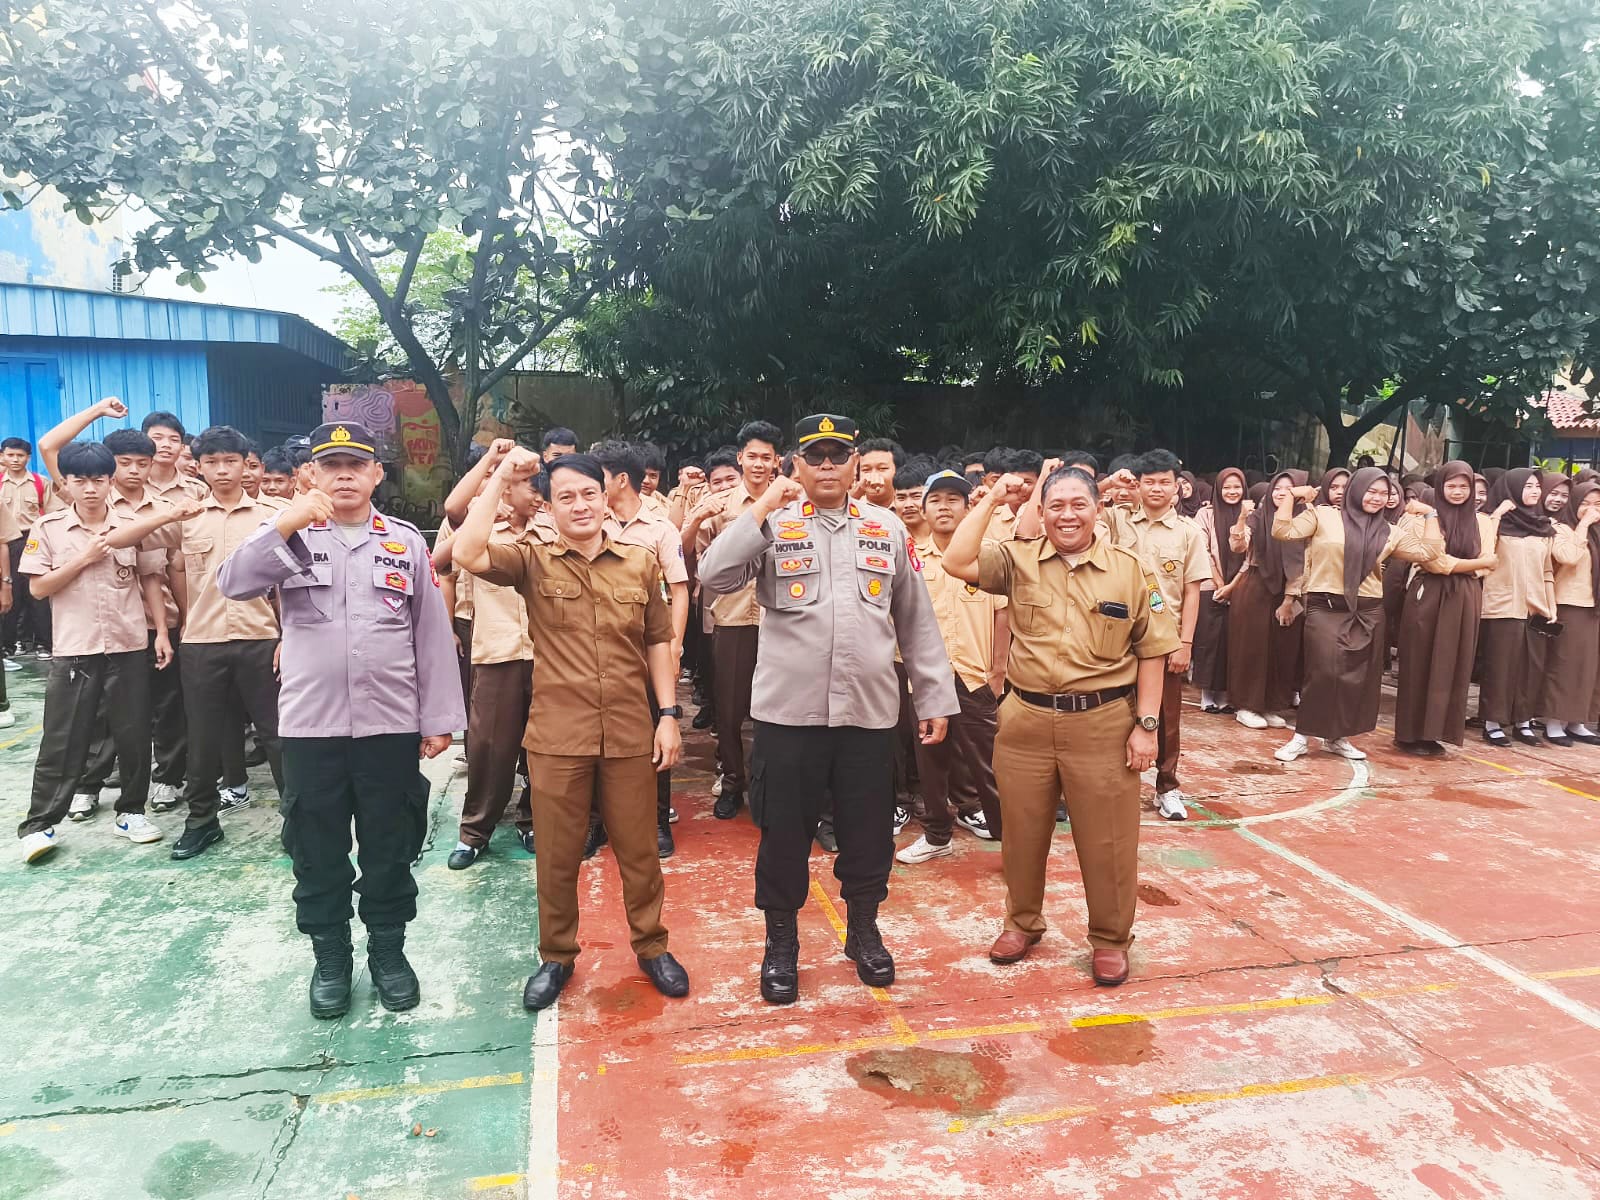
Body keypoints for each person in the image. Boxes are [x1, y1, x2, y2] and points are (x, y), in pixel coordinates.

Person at [697, 414, 957, 1005]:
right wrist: (761, 506)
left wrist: (935, 694)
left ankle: (863, 931)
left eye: (838, 456)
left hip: (867, 716)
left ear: (855, 461)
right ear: (797, 462)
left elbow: (915, 618)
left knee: (868, 834)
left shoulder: (885, 528)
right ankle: (781, 943)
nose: (827, 467)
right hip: (790, 717)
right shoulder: (774, 524)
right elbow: (714, 576)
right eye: (815, 457)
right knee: (782, 834)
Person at [216, 421, 464, 1018]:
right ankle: (331, 957)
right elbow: (233, 583)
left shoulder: (405, 543)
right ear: (312, 475)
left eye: (357, 464)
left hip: (389, 727)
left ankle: (388, 951)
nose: (345, 475)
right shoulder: (288, 537)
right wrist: (288, 522)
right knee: (316, 849)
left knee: (389, 846)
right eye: (331, 465)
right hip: (310, 729)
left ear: (378, 474)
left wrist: (439, 719)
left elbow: (432, 637)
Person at [452, 449, 689, 1013]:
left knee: (638, 851)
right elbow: (465, 550)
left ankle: (652, 946)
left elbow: (658, 641)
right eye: (565, 496)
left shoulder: (640, 561)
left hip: (631, 729)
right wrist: (502, 476)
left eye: (588, 493)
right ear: (548, 505)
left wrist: (669, 716)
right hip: (558, 734)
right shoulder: (531, 559)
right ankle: (556, 956)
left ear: (606, 497)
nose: (579, 505)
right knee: (557, 856)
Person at [943, 466, 1176, 984]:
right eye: (1056, 506)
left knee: (1108, 840)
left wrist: (1148, 725)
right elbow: (956, 560)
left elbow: (1155, 652)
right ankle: (1022, 922)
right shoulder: (1017, 560)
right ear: (1042, 512)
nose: (1067, 515)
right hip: (1025, 721)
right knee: (1021, 833)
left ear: (1098, 509)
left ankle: (1111, 939)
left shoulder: (1130, 570)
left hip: (1103, 723)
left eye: (1078, 504)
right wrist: (992, 499)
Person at [16, 441, 201, 863]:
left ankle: (131, 812)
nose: (90, 488)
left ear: (109, 480)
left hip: (128, 644)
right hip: (75, 649)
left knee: (134, 734)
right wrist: (82, 559)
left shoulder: (133, 524)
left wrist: (160, 635)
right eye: (80, 480)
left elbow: (152, 578)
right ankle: (39, 825)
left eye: (99, 479)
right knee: (63, 739)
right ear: (68, 482)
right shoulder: (49, 528)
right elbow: (39, 588)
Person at [40, 401, 188, 818]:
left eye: (142, 462)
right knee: (99, 715)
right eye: (124, 463)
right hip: (97, 628)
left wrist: (174, 625)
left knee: (162, 707)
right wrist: (98, 411)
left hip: (156, 621)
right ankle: (91, 783)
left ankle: (165, 779)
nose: (134, 471)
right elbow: (50, 445)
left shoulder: (165, 504)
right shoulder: (89, 494)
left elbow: (166, 569)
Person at [166, 426, 288, 859]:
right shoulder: (185, 516)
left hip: (262, 639)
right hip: (203, 640)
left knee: (277, 734)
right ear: (197, 466)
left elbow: (290, 582)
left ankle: (298, 821)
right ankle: (201, 822)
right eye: (211, 462)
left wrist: (285, 634)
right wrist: (183, 623)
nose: (221, 470)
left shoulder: (275, 514)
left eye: (230, 461)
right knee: (202, 737)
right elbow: (173, 569)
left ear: (245, 463)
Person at [1271, 467, 1435, 762]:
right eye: (1371, 491)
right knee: (1323, 672)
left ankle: (1337, 737)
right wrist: (1292, 496)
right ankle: (1301, 736)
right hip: (1326, 606)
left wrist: (1430, 515)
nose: (1377, 498)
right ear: (1356, 490)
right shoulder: (1322, 516)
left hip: (1368, 610)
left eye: (1384, 493)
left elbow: (1429, 553)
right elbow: (1282, 531)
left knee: (1354, 678)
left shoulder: (1390, 531)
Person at [434, 444, 544, 869]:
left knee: (543, 747)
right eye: (526, 487)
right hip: (496, 652)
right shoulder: (483, 530)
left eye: (538, 488)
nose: (534, 495)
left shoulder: (552, 531)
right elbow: (442, 562)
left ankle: (532, 819)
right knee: (488, 747)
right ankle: (475, 831)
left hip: (547, 655)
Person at [896, 470, 1007, 864]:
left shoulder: (989, 553)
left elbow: (1002, 616)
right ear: (923, 508)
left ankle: (1011, 841)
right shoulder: (911, 556)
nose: (944, 508)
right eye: (936, 500)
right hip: (926, 681)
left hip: (975, 675)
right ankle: (937, 834)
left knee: (990, 767)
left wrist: (998, 672)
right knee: (931, 766)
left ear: (967, 506)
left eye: (953, 500)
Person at [592, 440, 691, 857]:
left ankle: (656, 819)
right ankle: (596, 822)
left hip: (648, 646)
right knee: (595, 734)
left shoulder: (660, 528)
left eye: (596, 476)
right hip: (598, 647)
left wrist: (675, 647)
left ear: (619, 479)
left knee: (657, 726)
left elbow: (680, 591)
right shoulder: (588, 521)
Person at [684, 421, 781, 820]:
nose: (759, 464)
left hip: (780, 622)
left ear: (777, 461)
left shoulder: (791, 503)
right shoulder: (720, 504)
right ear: (740, 458)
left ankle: (768, 786)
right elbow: (692, 560)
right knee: (728, 709)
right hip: (733, 618)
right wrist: (692, 521)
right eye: (752, 456)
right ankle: (732, 782)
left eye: (767, 457)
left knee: (773, 711)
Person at [1115, 449, 1210, 821]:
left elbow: (1191, 591)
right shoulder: (1119, 521)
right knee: (1113, 713)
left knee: (1166, 717)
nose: (1157, 488)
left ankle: (1167, 787)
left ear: (1178, 487)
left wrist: (1185, 642)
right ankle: (1112, 787)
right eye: (1149, 482)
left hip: (1166, 640)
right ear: (1137, 485)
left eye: (1164, 482)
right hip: (1116, 638)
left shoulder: (1189, 533)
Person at [1393, 461, 1502, 755]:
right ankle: (1410, 732)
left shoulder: (1483, 522)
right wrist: (1476, 564)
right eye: (1450, 486)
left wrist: (1471, 565)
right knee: (1420, 660)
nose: (1457, 492)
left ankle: (1436, 732)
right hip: (1428, 594)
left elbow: (1488, 563)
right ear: (1439, 488)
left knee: (1453, 663)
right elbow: (1436, 563)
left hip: (1465, 596)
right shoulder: (1425, 519)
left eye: (1464, 486)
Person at [1476, 467, 1558, 746]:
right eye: (1528, 486)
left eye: (1537, 486)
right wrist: (1496, 515)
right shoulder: (1495, 523)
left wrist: (1551, 605)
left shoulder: (1543, 527)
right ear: (1511, 489)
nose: (1535, 491)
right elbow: (1483, 555)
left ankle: (1523, 722)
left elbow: (1547, 571)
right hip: (1502, 607)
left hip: (1536, 609)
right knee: (1500, 666)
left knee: (1531, 667)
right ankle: (1492, 721)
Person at [1227, 470, 1307, 730]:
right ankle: (1246, 705)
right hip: (1256, 587)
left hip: (1288, 592)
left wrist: (1289, 598)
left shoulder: (1303, 522)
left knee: (1281, 648)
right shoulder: (1257, 519)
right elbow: (1238, 547)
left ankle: (1270, 704)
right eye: (1277, 488)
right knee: (1252, 649)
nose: (1281, 493)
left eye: (1288, 488)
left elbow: (1301, 563)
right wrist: (1241, 517)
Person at [1538, 479, 1600, 746]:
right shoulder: (1559, 528)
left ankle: (1577, 721)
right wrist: (1584, 525)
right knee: (1563, 665)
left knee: (1588, 668)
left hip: (1593, 607)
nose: (1591, 509)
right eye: (1585, 503)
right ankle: (1554, 721)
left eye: (1597, 504)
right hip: (1569, 604)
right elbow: (1568, 557)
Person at [1193, 466, 1246, 713]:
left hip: (1241, 587)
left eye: (1237, 487)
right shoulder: (1206, 514)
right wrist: (1219, 583)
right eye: (1227, 487)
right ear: (1218, 488)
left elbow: (1252, 554)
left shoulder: (1250, 515)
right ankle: (1207, 694)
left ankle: (1225, 696)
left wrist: (1234, 586)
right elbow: (1201, 550)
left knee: (1231, 642)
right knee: (1209, 639)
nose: (1232, 492)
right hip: (1210, 586)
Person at [0, 435, 54, 657]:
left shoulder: (41, 483)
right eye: (10, 455)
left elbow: (53, 514)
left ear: (28, 458)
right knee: (9, 591)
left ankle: (43, 644)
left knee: (37, 593)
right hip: (5, 543)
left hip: (33, 540)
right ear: (2, 456)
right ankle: (9, 645)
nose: (15, 460)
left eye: (20, 456)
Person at [854, 438, 904, 508]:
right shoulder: (851, 506)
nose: (874, 475)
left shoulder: (908, 507)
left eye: (882, 468)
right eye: (866, 470)